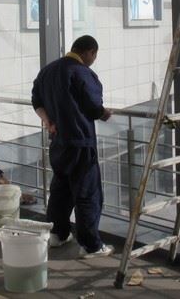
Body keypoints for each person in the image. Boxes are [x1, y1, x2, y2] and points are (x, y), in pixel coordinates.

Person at [31, 35, 114, 258]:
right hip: (80, 142)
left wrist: (47, 120)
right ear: (89, 52)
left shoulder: (48, 71)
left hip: (58, 143)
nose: (93, 60)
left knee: (61, 190)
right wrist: (104, 114)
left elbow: (36, 101)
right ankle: (91, 245)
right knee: (87, 193)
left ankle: (57, 234)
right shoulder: (82, 73)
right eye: (94, 55)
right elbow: (93, 106)